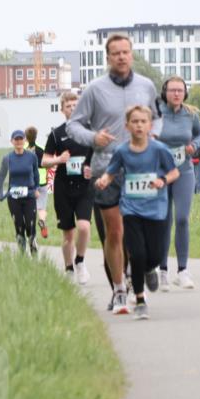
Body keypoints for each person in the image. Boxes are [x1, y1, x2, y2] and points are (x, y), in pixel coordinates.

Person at [67, 33, 161, 312]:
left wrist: (153, 138)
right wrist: (93, 137)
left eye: (125, 52)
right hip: (106, 168)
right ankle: (119, 289)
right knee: (116, 232)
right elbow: (74, 126)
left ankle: (144, 267)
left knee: (141, 231)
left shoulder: (146, 86)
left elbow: (158, 119)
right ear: (107, 57)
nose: (121, 56)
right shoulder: (95, 89)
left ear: (132, 54)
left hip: (140, 170)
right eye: (116, 53)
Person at [95, 105, 179, 319]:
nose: (139, 125)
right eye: (135, 122)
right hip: (131, 209)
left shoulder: (159, 149)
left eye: (143, 121)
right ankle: (140, 300)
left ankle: (151, 270)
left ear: (150, 125)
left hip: (156, 210)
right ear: (127, 126)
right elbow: (112, 172)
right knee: (137, 254)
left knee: (155, 255)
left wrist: (163, 180)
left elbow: (174, 172)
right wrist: (104, 180)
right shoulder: (122, 150)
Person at [156, 76, 200, 290]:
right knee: (164, 220)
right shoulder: (156, 113)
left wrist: (194, 145)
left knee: (183, 218)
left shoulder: (190, 114)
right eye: (172, 90)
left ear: (185, 93)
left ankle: (183, 270)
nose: (176, 94)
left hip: (184, 170)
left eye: (180, 90)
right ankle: (163, 270)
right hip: (160, 171)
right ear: (165, 92)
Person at [43, 90, 95, 284]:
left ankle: (80, 261)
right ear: (62, 110)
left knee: (83, 226)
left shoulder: (89, 131)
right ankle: (68, 268)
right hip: (64, 187)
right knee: (68, 234)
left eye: (76, 105)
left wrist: (93, 167)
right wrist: (58, 159)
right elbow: (44, 160)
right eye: (68, 106)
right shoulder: (56, 134)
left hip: (85, 186)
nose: (72, 109)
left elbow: (99, 153)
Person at [0, 129, 40, 255]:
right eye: (16, 139)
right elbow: (0, 176)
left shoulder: (31, 156)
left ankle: (34, 253)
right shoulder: (7, 158)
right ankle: (22, 255)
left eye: (21, 139)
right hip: (14, 198)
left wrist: (36, 188)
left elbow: (36, 174)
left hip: (30, 195)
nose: (19, 141)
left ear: (25, 140)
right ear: (12, 141)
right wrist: (0, 194)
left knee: (30, 225)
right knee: (19, 225)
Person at [25, 126, 51, 239]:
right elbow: (47, 164)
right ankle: (41, 220)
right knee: (41, 208)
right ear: (36, 136)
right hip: (42, 182)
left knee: (29, 208)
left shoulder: (23, 150)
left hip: (28, 183)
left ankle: (31, 230)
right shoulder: (42, 148)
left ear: (26, 137)